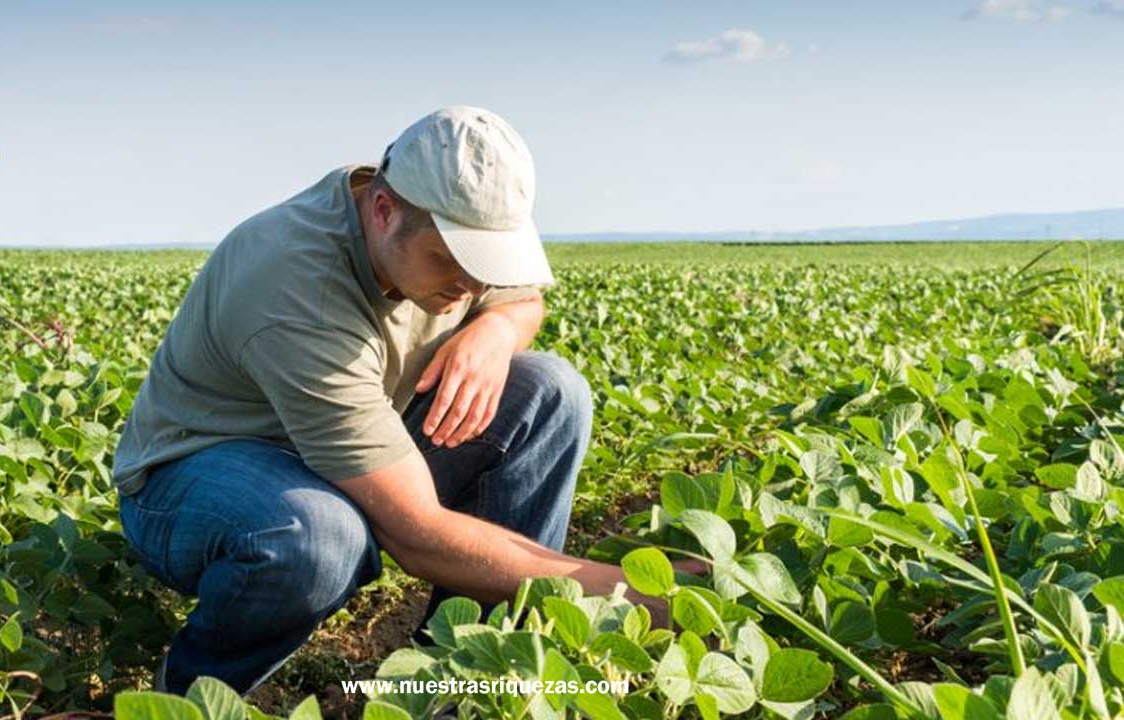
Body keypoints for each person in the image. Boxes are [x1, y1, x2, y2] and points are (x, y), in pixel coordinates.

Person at [113, 106, 699, 697]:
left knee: (550, 392)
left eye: (486, 264)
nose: (470, 286)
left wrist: (493, 332)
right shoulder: (295, 288)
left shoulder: (442, 217)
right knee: (318, 537)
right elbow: (416, 534)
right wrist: (631, 596)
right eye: (452, 261)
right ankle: (183, 696)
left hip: (351, 446)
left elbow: (523, 302)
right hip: (201, 476)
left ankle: (465, 680)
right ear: (384, 212)